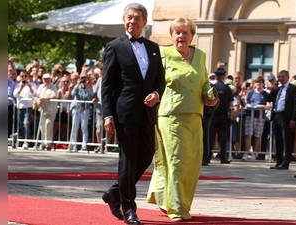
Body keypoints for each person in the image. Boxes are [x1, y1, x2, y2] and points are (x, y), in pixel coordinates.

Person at [146, 18, 218, 222]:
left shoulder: (201, 55)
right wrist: (153, 96)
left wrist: (210, 94)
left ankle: (170, 199)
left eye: (185, 32)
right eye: (177, 32)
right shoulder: (163, 54)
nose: (181, 36)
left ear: (192, 35)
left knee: (192, 163)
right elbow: (154, 82)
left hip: (195, 115)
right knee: (177, 162)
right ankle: (177, 208)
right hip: (170, 116)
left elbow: (203, 82)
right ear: (172, 35)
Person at [100, 3, 165, 224]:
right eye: (129, 17)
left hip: (147, 113)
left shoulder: (154, 48)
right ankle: (129, 208)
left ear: (144, 22)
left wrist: (156, 93)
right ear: (124, 20)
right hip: (124, 113)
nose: (132, 21)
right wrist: (107, 114)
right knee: (127, 161)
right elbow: (107, 85)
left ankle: (114, 193)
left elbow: (160, 81)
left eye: (137, 18)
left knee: (146, 156)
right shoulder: (114, 46)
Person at [267, 70, 296, 169]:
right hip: (276, 115)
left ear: (287, 77)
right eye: (279, 77)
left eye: (282, 77)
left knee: (286, 139)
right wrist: (273, 89)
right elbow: (268, 99)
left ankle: (286, 162)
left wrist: (293, 119)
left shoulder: (293, 88)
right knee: (277, 139)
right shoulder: (278, 89)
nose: (280, 78)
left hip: (286, 116)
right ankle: (279, 161)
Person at [208, 68, 233, 164]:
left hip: (213, 114)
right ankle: (223, 158)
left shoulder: (212, 87)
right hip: (223, 115)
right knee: (222, 137)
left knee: (210, 137)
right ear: (223, 77)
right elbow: (230, 103)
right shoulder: (227, 88)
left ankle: (207, 157)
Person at [242, 76, 271, 160]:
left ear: (263, 84)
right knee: (248, 134)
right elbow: (246, 103)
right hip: (249, 115)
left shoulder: (265, 94)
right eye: (257, 82)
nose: (258, 84)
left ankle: (255, 153)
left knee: (257, 135)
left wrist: (261, 106)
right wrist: (249, 106)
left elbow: (268, 106)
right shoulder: (250, 92)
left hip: (260, 117)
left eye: (260, 83)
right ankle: (246, 153)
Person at [33, 73, 58, 150]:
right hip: (43, 109)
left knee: (48, 124)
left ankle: (48, 143)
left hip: (51, 109)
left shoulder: (53, 87)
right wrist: (37, 99)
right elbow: (34, 95)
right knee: (42, 126)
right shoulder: (40, 87)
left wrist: (42, 98)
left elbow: (53, 96)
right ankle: (43, 142)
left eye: (47, 79)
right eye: (44, 79)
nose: (46, 80)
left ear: (50, 79)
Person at [69, 73, 93, 151]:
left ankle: (84, 144)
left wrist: (86, 88)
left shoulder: (90, 88)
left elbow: (90, 97)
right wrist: (77, 84)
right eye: (82, 78)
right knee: (74, 127)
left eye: (85, 78)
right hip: (76, 108)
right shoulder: (77, 87)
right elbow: (73, 93)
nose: (83, 80)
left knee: (84, 127)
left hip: (85, 109)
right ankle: (73, 144)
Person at [13, 71, 37, 149]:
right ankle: (24, 138)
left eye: (25, 76)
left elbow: (34, 94)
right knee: (22, 125)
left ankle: (26, 141)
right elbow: (15, 95)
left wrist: (29, 85)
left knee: (26, 124)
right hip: (20, 107)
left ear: (28, 76)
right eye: (22, 76)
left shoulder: (32, 85)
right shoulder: (17, 85)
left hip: (28, 107)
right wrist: (21, 87)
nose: (24, 78)